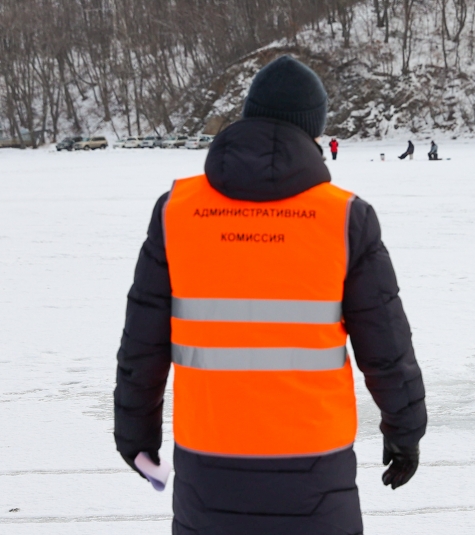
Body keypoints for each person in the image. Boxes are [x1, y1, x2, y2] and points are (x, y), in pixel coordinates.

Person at [114, 55, 427, 535]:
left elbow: (143, 342)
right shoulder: (344, 218)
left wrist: (135, 431)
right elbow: (385, 343)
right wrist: (404, 429)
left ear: (248, 114)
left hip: (207, 462)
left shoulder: (178, 211)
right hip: (316, 465)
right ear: (314, 130)